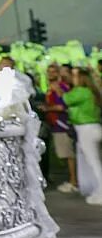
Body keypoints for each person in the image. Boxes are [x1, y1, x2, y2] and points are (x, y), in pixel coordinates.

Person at [63, 68, 102, 205]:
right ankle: (96, 189)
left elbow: (66, 99)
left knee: (93, 163)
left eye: (74, 76)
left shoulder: (81, 91)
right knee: (93, 161)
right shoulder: (92, 91)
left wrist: (60, 89)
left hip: (86, 129)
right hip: (93, 128)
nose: (72, 78)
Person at [42, 63, 78, 192]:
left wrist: (46, 108)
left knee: (68, 154)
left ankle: (73, 181)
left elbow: (63, 106)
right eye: (49, 71)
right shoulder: (50, 87)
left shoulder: (60, 87)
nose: (51, 74)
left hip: (62, 124)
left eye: (54, 72)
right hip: (55, 124)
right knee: (63, 153)